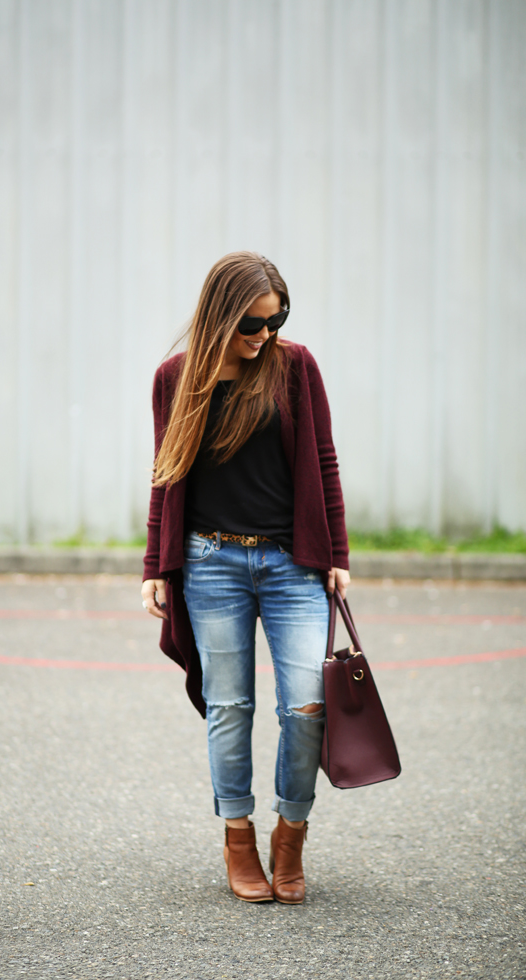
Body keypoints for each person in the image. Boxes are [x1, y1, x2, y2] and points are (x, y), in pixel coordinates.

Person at [141, 251, 350, 904]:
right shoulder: (176, 378)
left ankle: (291, 834)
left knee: (307, 705)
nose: (265, 336)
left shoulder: (296, 368)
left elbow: (324, 460)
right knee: (229, 709)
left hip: (292, 566)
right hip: (212, 565)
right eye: (252, 325)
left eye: (276, 321)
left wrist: (336, 553)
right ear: (220, 317)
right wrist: (155, 563)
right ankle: (238, 835)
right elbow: (166, 471)